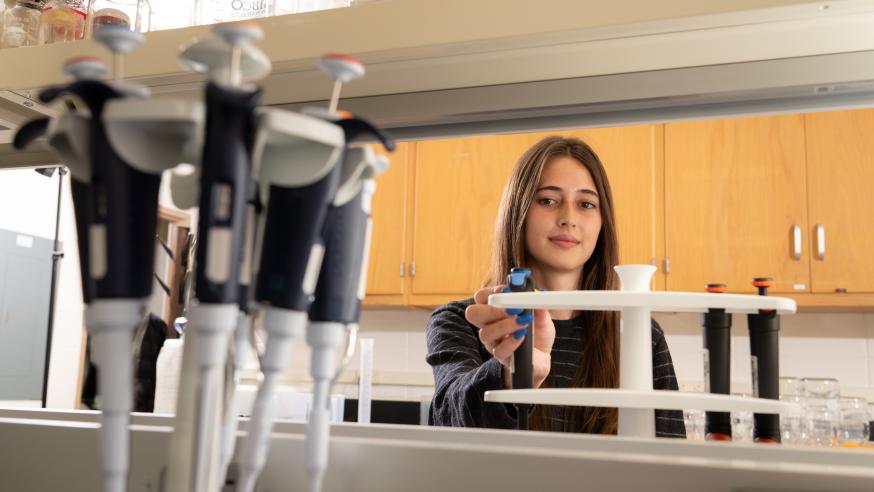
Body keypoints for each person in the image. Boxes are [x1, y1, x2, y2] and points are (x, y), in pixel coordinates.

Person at [425, 135, 686, 437]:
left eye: (586, 204)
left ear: (603, 224)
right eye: (548, 200)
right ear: (517, 212)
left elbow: (670, 455)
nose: (568, 218)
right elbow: (448, 423)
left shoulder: (639, 331)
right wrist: (513, 376)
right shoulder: (462, 320)